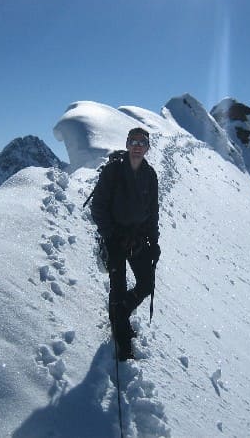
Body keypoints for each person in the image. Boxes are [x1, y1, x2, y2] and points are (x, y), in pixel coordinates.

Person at [90, 127, 161, 360]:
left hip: (138, 237)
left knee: (146, 284)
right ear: (127, 144)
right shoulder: (113, 171)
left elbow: (152, 212)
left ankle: (120, 314)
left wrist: (154, 241)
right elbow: (98, 206)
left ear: (148, 147)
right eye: (134, 141)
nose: (138, 146)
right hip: (115, 238)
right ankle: (123, 344)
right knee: (117, 288)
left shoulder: (150, 175)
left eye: (143, 142)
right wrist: (110, 236)